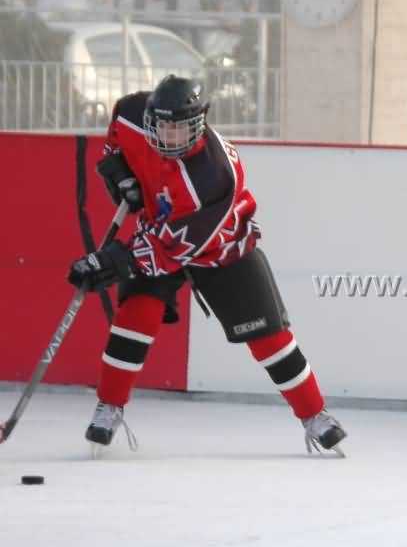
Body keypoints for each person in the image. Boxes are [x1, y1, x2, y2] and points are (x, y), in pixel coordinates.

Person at [67, 75, 347, 456]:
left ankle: (315, 415)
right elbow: (115, 136)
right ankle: (109, 407)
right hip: (160, 228)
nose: (170, 137)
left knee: (268, 336)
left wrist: (114, 261)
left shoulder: (213, 176)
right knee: (136, 316)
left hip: (220, 246)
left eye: (180, 129)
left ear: (198, 123)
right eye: (163, 126)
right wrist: (119, 172)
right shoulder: (133, 113)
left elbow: (171, 249)